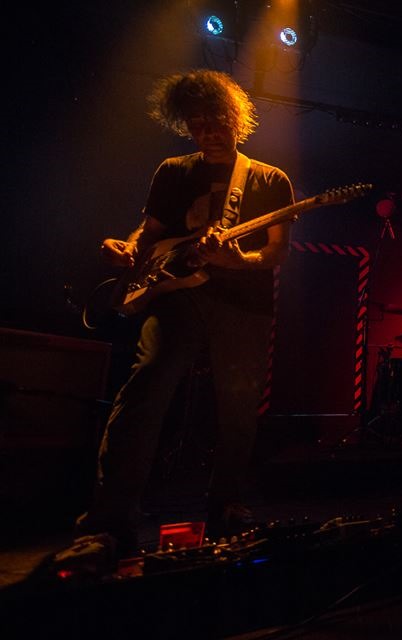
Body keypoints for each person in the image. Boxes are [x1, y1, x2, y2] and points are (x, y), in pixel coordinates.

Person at [74, 69, 295, 554]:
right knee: (144, 390)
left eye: (215, 122)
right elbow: (149, 233)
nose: (206, 133)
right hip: (174, 296)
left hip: (244, 304)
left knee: (238, 408)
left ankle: (227, 506)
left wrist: (239, 261)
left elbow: (276, 251)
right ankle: (110, 519)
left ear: (235, 118)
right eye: (196, 125)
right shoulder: (173, 171)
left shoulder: (269, 179)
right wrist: (126, 248)